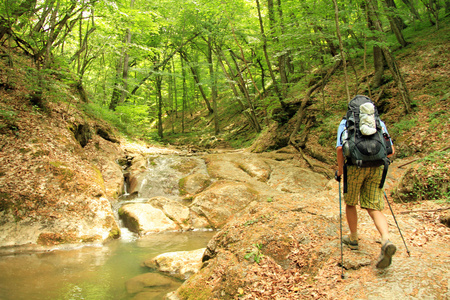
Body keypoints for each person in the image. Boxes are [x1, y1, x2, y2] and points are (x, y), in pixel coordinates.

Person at [335, 98, 396, 269]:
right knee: (373, 206)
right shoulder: (378, 122)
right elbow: (390, 150)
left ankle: (353, 238)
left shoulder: (345, 123)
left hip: (354, 167)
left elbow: (341, 149)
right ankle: (385, 239)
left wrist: (340, 171)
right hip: (377, 167)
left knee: (351, 203)